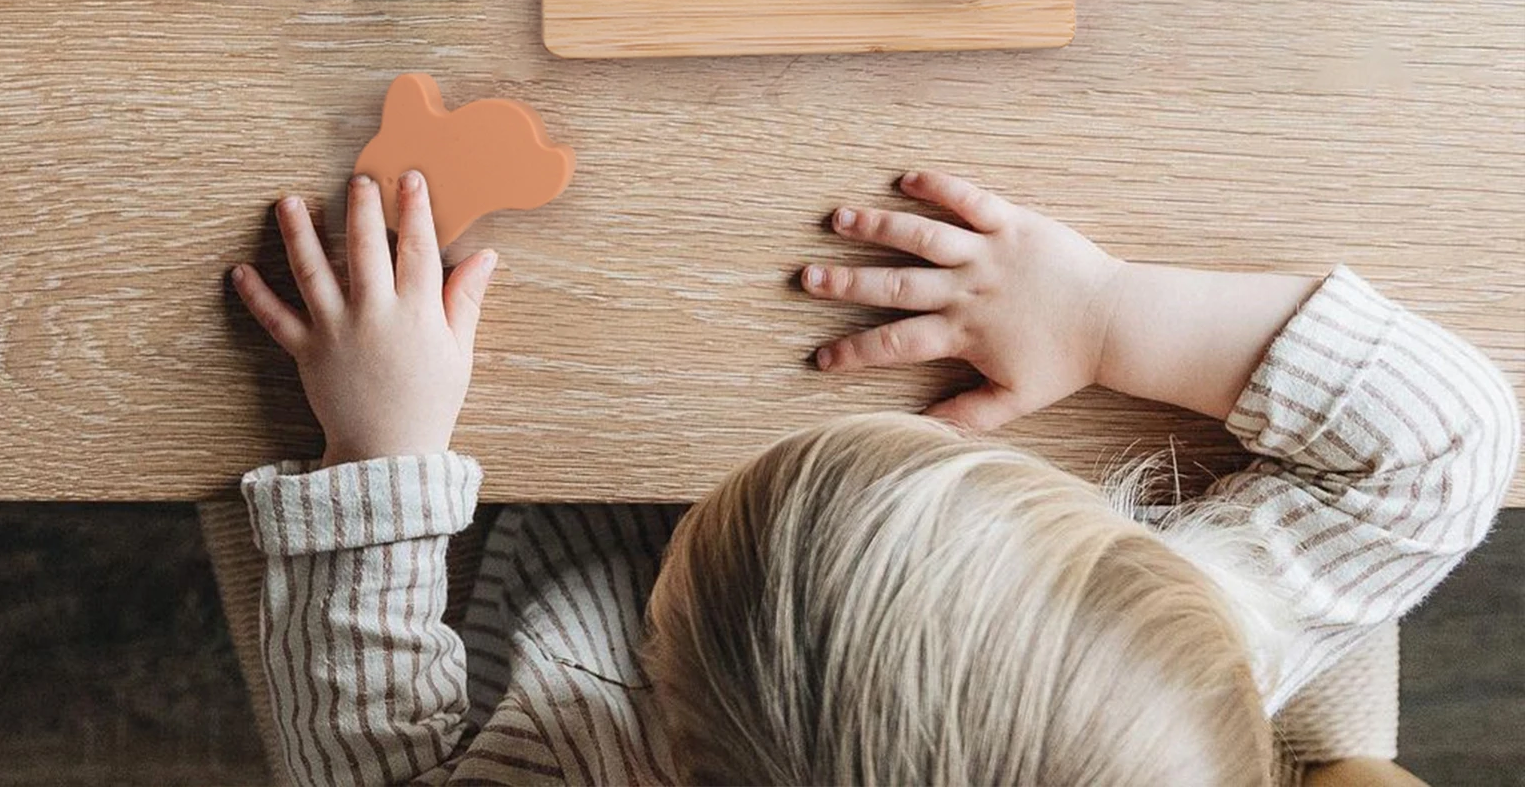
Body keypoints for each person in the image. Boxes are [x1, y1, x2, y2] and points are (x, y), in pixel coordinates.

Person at [229, 168, 1518, 786]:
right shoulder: (1160, 661)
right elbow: (1446, 444)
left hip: (572, 528)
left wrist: (382, 452)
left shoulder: (573, 764)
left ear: (681, 725)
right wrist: (1106, 314)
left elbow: (368, 765)